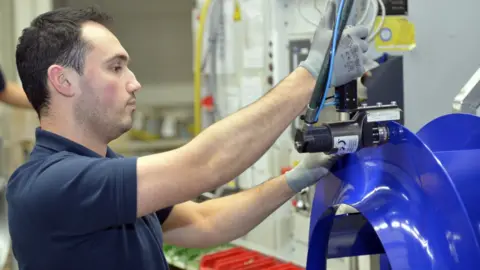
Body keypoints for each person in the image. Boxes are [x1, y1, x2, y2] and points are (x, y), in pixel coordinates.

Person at [6, 4, 371, 270]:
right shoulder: (49, 183)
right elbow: (204, 164)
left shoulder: (102, 166)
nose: (135, 82)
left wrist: (292, 180)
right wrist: (311, 74)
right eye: (116, 68)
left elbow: (202, 221)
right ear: (62, 81)